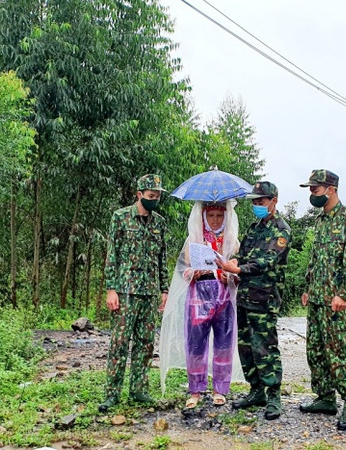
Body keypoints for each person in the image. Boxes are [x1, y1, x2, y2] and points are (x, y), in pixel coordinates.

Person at [159, 199, 244, 411]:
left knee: (224, 343)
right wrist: (192, 273)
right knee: (196, 344)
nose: (215, 220)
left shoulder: (233, 243)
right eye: (211, 216)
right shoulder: (194, 242)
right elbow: (183, 270)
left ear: (226, 217)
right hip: (198, 296)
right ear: (203, 217)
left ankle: (220, 390)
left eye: (220, 216)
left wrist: (230, 277)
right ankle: (195, 390)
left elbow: (240, 271)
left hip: (224, 297)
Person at [298, 169, 346, 431]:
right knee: (315, 350)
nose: (311, 194)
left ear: (331, 189)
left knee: (339, 351)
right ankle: (325, 398)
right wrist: (307, 286)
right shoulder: (320, 220)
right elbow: (315, 258)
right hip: (316, 296)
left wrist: (343, 294)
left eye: (315, 189)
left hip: (336, 300)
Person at [217, 181, 290, 420]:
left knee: (265, 348)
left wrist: (238, 270)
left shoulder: (281, 230)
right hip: (245, 296)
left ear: (273, 201)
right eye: (255, 202)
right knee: (246, 346)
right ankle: (256, 391)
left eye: (261, 201)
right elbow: (243, 254)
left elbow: (266, 262)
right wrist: (233, 263)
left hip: (265, 298)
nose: (257, 205)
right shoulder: (253, 228)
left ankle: (273, 397)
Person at [99, 174, 169, 412]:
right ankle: (111, 394)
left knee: (145, 343)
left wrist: (164, 289)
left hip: (149, 292)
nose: (155, 200)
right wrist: (111, 289)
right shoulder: (120, 217)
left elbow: (162, 258)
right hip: (125, 290)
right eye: (151, 196)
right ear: (139, 195)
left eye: (158, 196)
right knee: (119, 342)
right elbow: (112, 254)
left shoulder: (159, 223)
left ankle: (139, 389)